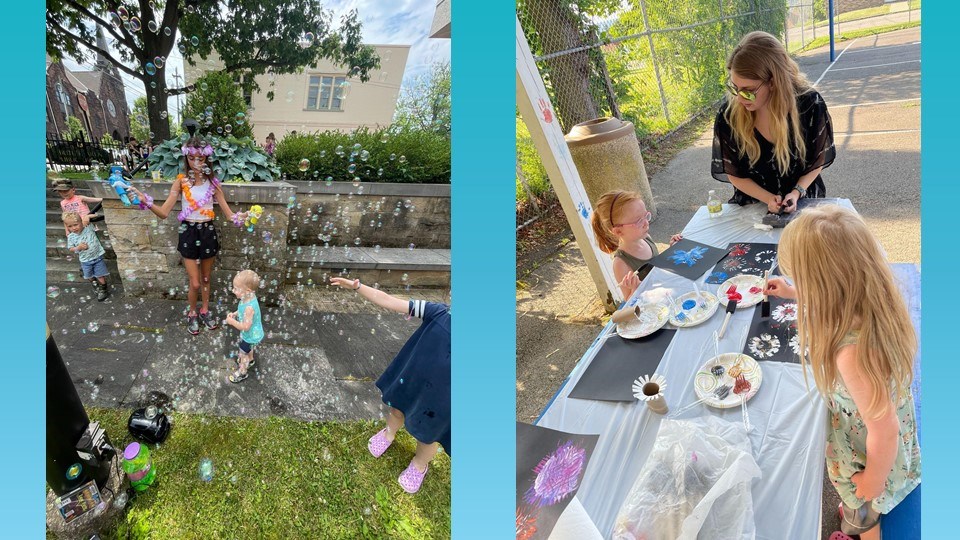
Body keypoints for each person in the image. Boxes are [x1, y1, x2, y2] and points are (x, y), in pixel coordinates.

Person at [764, 206, 919, 540]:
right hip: (872, 427)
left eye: (801, 279)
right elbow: (831, 291)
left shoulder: (851, 354)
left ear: (823, 285)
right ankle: (856, 510)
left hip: (868, 454)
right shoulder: (869, 296)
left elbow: (885, 429)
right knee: (858, 504)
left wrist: (871, 482)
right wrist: (793, 292)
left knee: (865, 514)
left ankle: (861, 524)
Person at [329, 277, 450, 494]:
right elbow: (388, 300)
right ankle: (388, 433)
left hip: (444, 397)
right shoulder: (438, 312)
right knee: (397, 410)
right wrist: (357, 287)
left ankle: (419, 465)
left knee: (428, 435)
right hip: (414, 380)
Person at [129, 136, 247, 335]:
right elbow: (165, 212)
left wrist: (241, 216)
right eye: (192, 158)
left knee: (207, 279)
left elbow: (228, 214)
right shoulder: (181, 182)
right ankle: (192, 312)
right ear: (187, 158)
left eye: (200, 158)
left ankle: (205, 310)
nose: (196, 163)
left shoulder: (214, 184)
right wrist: (146, 202)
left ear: (207, 159)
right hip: (188, 231)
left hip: (207, 230)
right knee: (194, 282)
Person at [712, 31, 835, 214]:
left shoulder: (809, 105)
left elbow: (817, 160)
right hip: (752, 207)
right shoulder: (729, 116)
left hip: (804, 202)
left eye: (748, 90)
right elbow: (735, 174)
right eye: (735, 88)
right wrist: (768, 199)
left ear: (773, 82)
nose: (739, 98)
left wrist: (796, 193)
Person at [590, 190, 682, 299]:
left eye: (646, 216)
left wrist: (671, 250)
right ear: (619, 231)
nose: (646, 223)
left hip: (668, 293)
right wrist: (635, 289)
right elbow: (629, 302)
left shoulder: (646, 239)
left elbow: (658, 267)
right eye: (639, 221)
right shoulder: (621, 264)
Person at [224, 270, 264, 383]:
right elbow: (241, 308)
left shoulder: (249, 308)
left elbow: (245, 327)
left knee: (242, 354)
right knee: (248, 349)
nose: (233, 290)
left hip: (250, 335)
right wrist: (235, 314)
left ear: (247, 291)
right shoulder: (248, 297)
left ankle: (242, 372)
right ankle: (250, 360)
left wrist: (232, 322)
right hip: (252, 334)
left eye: (236, 288)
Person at [63, 211, 110, 301]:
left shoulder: (88, 227)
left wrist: (87, 216)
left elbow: (96, 215)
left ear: (81, 222)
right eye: (70, 226)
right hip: (85, 261)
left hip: (97, 257)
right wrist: (78, 247)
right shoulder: (71, 237)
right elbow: (71, 248)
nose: (74, 228)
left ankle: (103, 290)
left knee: (100, 275)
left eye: (76, 224)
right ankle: (95, 285)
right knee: (89, 276)